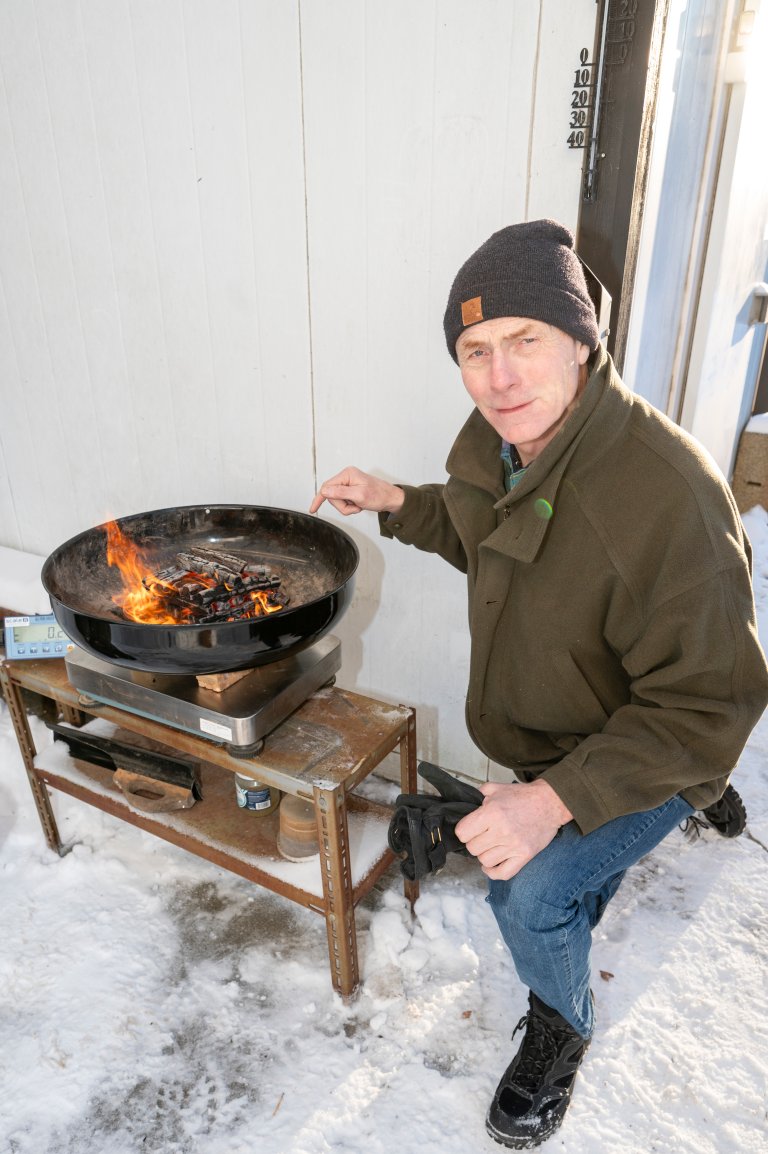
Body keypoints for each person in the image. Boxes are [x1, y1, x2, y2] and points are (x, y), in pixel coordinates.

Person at [309, 220, 768, 1148]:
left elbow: (710, 699)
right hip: (546, 725)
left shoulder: (668, 494)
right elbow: (480, 525)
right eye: (475, 351)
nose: (499, 376)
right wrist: (396, 501)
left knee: (530, 898)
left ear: (581, 341)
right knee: (545, 849)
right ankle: (697, 802)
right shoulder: (504, 439)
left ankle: (562, 1025)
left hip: (634, 747)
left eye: (524, 340)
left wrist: (552, 802)